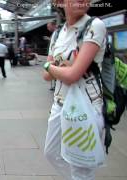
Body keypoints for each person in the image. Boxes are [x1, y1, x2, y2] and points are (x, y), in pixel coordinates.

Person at [42, 0, 107, 179]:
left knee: (82, 168)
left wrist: (52, 66)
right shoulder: (57, 34)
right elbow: (46, 76)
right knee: (51, 153)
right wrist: (58, 67)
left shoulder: (94, 26)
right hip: (59, 104)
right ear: (59, 2)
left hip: (87, 105)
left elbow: (72, 76)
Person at [47, 20, 58, 91]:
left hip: (56, 56)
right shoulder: (55, 33)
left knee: (55, 71)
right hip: (53, 56)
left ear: (53, 25)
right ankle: (55, 85)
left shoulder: (58, 32)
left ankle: (56, 85)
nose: (48, 28)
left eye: (49, 26)